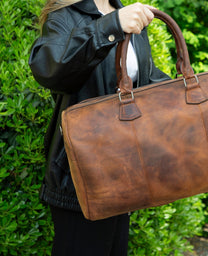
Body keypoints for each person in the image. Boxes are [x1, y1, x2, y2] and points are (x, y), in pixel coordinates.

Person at [29, 0, 170, 255]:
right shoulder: (64, 16)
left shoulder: (127, 13)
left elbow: (142, 83)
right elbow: (50, 69)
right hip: (83, 177)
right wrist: (111, 26)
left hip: (125, 173)